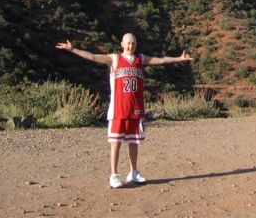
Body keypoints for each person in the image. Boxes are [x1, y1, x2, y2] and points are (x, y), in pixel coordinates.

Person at [56, 33, 193, 188]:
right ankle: (114, 176)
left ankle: (133, 172)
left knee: (134, 142)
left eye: (133, 43)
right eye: (128, 43)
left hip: (136, 109)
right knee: (116, 143)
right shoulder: (114, 59)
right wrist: (72, 49)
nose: (131, 46)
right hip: (118, 110)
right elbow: (93, 56)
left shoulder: (140, 59)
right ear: (122, 44)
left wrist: (179, 58)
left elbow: (160, 60)